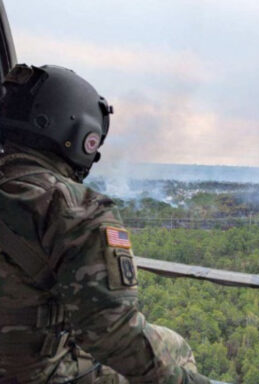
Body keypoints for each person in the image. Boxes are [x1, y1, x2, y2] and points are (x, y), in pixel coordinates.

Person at [0, 64, 211, 384]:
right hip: (35, 376)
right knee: (174, 347)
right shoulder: (76, 209)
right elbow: (113, 335)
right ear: (81, 135)